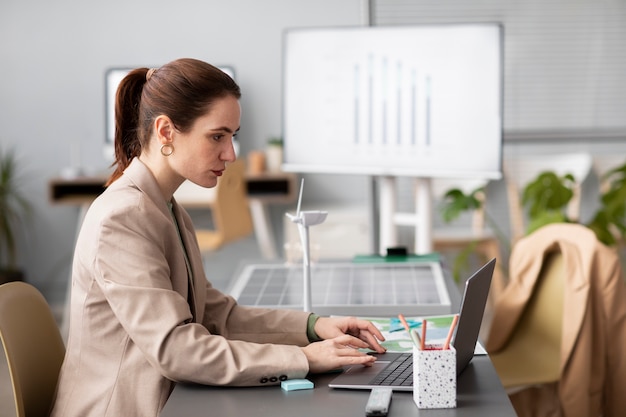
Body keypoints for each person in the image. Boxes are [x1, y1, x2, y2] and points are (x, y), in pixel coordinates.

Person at [50, 58, 386, 417]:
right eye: (217, 136)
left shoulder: (165, 207)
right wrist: (302, 358)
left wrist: (313, 327)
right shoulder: (123, 217)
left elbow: (214, 313)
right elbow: (177, 350)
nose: (231, 154)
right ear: (166, 131)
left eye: (232, 136)